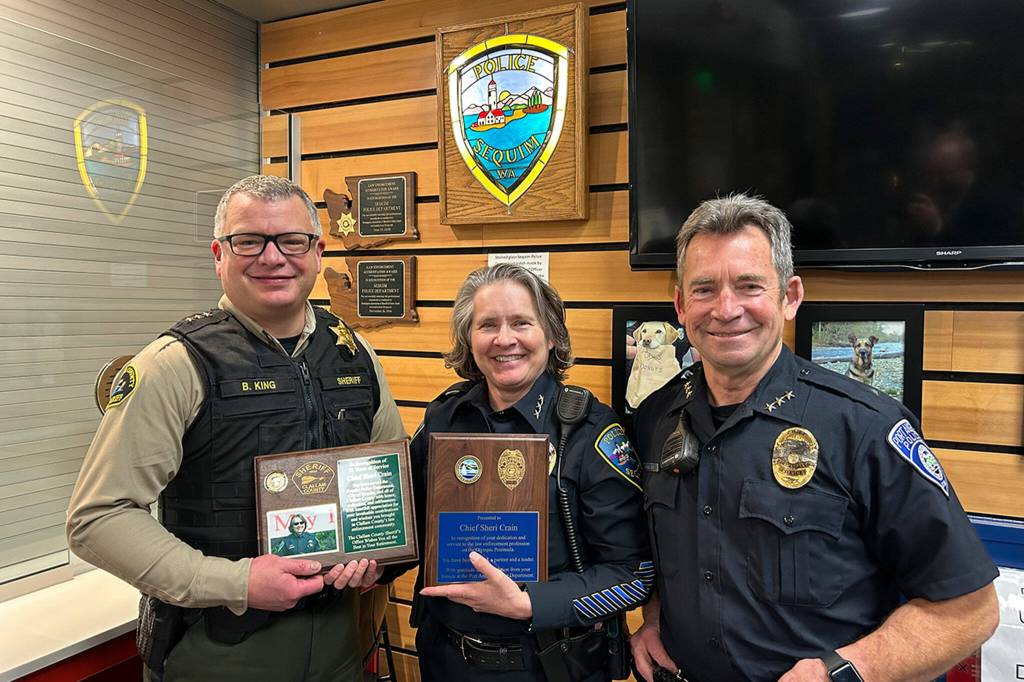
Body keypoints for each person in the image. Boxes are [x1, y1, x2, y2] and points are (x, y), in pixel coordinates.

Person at [629, 194, 1000, 682]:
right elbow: (664, 556)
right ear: (680, 305)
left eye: (749, 285)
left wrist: (848, 670)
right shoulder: (655, 417)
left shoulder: (866, 426)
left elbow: (971, 608)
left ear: (790, 296)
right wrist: (653, 617)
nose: (726, 308)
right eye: (704, 289)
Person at [66, 175, 407, 682]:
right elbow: (98, 519)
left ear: (316, 252)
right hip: (215, 652)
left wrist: (376, 558)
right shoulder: (175, 364)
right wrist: (236, 581)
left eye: (291, 240)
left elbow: (386, 489)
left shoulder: (354, 355)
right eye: (248, 241)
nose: (273, 258)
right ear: (218, 254)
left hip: (339, 648)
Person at [404, 263, 653, 682]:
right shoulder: (445, 415)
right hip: (443, 656)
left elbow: (632, 575)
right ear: (469, 337)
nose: (505, 340)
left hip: (546, 664)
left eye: (522, 322)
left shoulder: (591, 432)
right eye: (487, 325)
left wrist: (530, 603)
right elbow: (406, 518)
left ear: (551, 334)